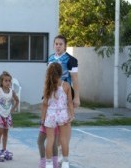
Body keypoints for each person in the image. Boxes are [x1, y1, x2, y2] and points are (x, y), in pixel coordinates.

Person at [48, 35, 80, 164]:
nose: (58, 46)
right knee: (52, 126)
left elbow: (75, 80)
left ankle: (63, 152)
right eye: (56, 44)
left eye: (61, 44)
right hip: (52, 94)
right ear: (53, 45)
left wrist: (76, 97)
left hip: (66, 94)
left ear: (65, 45)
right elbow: (47, 77)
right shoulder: (50, 58)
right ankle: (56, 152)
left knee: (65, 123)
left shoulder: (71, 60)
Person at [41, 63, 74, 168]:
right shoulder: (66, 85)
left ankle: (49, 164)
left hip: (50, 114)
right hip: (63, 114)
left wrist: (42, 119)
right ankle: (65, 162)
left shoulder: (48, 86)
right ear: (61, 73)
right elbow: (69, 102)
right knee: (64, 139)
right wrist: (71, 114)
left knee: (50, 140)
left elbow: (45, 104)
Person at [0, 71, 19, 161]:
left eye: (9, 81)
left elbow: (17, 100)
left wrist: (13, 109)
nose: (8, 82)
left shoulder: (12, 92)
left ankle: (4, 150)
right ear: (1, 82)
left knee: (6, 133)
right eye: (6, 81)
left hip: (7, 115)